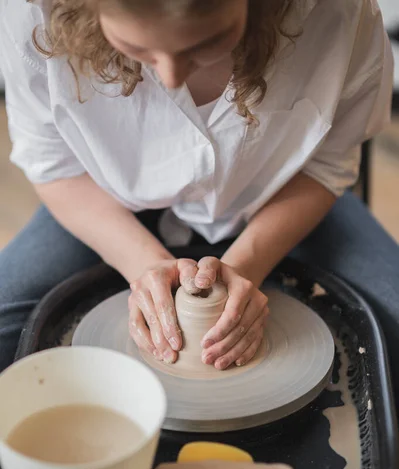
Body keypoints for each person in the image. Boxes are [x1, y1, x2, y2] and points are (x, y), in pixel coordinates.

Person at [0, 0, 397, 400]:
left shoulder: (335, 12)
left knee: (393, 320)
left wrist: (249, 262)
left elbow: (326, 164)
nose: (170, 77)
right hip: (106, 202)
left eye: (208, 42)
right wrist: (143, 264)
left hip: (282, 195)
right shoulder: (35, 13)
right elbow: (54, 166)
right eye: (135, 46)